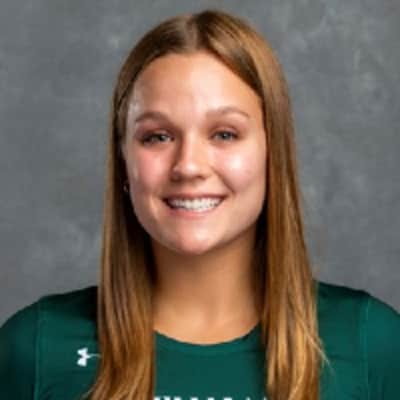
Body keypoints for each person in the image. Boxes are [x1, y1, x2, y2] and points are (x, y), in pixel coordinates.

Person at [0, 8, 399, 400]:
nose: (188, 166)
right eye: (158, 136)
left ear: (272, 153)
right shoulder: (33, 350)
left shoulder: (370, 345)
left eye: (224, 134)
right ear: (123, 161)